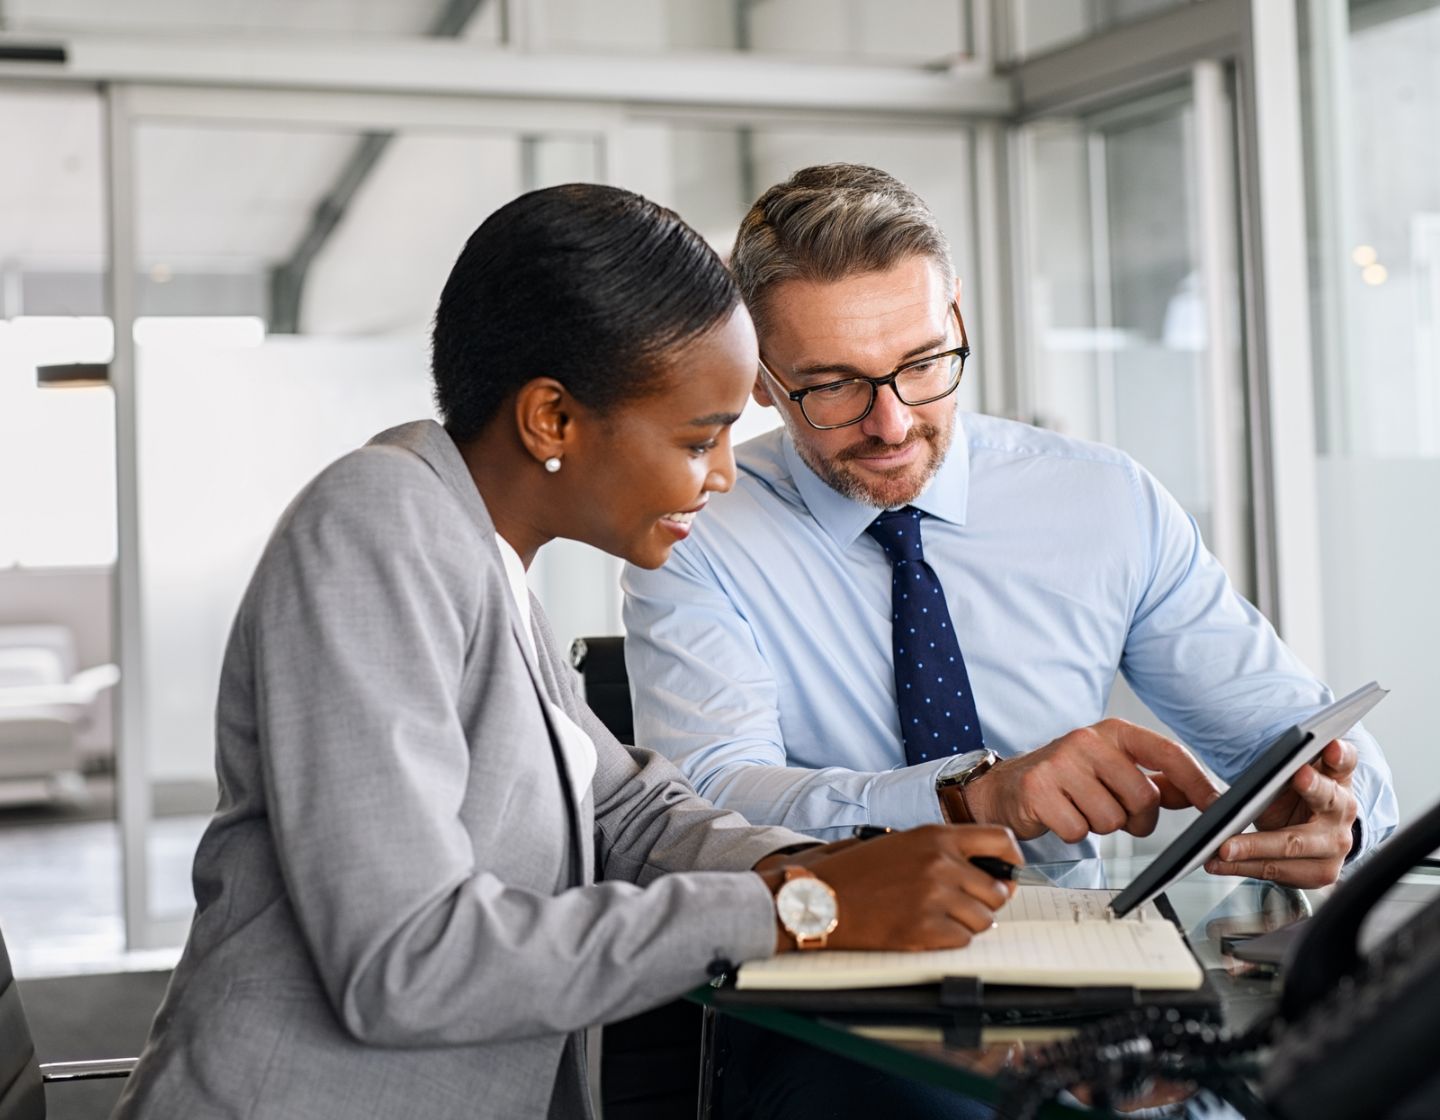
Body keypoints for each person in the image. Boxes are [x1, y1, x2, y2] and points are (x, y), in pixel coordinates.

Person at [112, 184, 1025, 1120]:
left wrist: (823, 868)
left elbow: (628, 811)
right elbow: (406, 961)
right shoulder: (379, 526)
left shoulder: (482, 554)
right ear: (551, 419)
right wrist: (802, 910)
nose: (720, 474)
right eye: (698, 437)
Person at [622, 163, 1398, 886]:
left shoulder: (1102, 501)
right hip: (827, 980)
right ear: (759, 376)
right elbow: (709, 805)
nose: (892, 425)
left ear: (956, 314)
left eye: (923, 364)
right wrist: (969, 799)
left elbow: (1295, 729)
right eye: (833, 387)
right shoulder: (697, 528)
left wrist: (1336, 811)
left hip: (1094, 970)